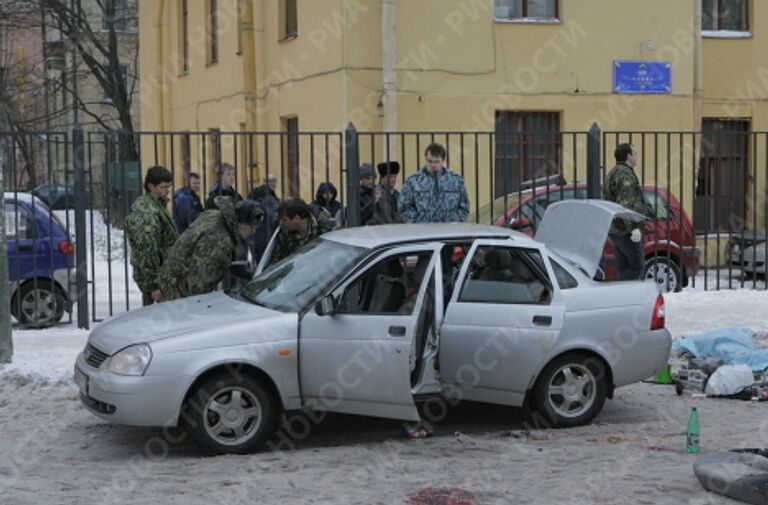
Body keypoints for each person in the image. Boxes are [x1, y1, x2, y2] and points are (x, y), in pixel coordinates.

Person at [158, 197, 263, 301]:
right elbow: (197, 286)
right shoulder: (220, 242)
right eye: (252, 226)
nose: (254, 231)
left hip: (171, 282)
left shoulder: (213, 215)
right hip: (178, 296)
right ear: (240, 222)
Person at [124, 166, 179, 306]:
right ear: (151, 187)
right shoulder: (146, 211)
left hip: (163, 275)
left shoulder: (157, 205)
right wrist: (153, 284)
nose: (167, 191)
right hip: (157, 279)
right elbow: (146, 249)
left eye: (169, 187)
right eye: (163, 187)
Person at [604, 143, 650, 281]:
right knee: (637, 266)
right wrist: (634, 227)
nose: (636, 157)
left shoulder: (612, 172)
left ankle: (625, 298)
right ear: (628, 156)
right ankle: (619, 294)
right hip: (626, 230)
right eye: (635, 153)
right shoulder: (625, 174)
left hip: (615, 228)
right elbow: (627, 202)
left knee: (625, 267)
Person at [399, 143, 470, 223]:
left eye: (436, 162)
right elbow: (404, 207)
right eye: (430, 161)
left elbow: (464, 206)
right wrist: (416, 222)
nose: (433, 165)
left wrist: (455, 222)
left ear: (443, 161)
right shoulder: (413, 181)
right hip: (423, 231)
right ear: (425, 159)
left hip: (450, 230)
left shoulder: (456, 181)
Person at [269, 198, 337, 265]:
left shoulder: (328, 227)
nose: (280, 223)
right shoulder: (285, 234)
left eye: (284, 220)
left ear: (296, 218)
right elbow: (278, 262)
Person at [248, 174, 280, 262]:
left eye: (274, 181)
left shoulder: (254, 196)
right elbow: (276, 218)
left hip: (254, 239)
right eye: (270, 181)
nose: (273, 184)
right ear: (264, 183)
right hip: (268, 239)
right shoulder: (269, 199)